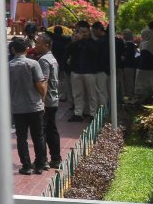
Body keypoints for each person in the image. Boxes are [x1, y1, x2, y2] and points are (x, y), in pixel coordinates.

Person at [7, 37, 48, 175]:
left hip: (17, 108)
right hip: (34, 106)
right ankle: (40, 164)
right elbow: (40, 84)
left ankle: (26, 165)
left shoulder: (8, 66)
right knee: (38, 136)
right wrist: (43, 97)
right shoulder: (33, 64)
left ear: (13, 50)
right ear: (27, 49)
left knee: (21, 137)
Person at [34, 32, 63, 169]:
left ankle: (42, 160)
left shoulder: (44, 60)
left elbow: (43, 82)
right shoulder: (52, 58)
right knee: (52, 129)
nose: (35, 45)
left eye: (38, 42)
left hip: (47, 100)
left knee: (42, 131)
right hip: (54, 99)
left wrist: (42, 102)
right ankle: (56, 158)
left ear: (46, 44)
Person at [67, 22, 96, 121]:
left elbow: (93, 50)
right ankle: (78, 114)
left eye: (85, 32)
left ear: (89, 32)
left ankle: (93, 114)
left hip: (89, 71)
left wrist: (83, 40)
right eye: (81, 32)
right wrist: (73, 41)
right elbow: (68, 51)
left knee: (91, 94)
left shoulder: (92, 42)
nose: (83, 34)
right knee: (77, 94)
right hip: (76, 71)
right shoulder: (76, 42)